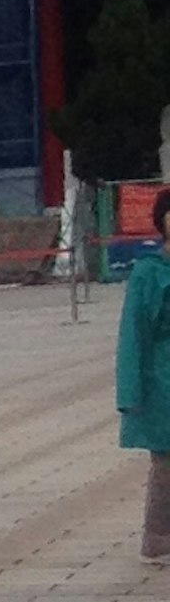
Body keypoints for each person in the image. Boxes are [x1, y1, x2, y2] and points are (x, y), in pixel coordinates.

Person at [119, 230, 170, 564]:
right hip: (161, 380)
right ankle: (158, 539)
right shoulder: (147, 273)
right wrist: (129, 391)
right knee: (166, 463)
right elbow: (133, 336)